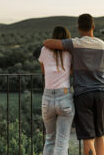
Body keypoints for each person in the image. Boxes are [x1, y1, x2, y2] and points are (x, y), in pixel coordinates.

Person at [44, 14, 104, 155]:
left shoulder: (75, 43)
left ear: (78, 28)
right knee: (100, 134)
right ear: (93, 26)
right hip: (100, 93)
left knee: (88, 137)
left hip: (83, 95)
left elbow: (48, 43)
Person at [39, 26, 75, 155]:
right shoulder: (70, 52)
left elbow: (43, 70)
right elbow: (72, 70)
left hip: (47, 98)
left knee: (49, 139)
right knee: (62, 142)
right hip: (64, 97)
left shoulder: (44, 50)